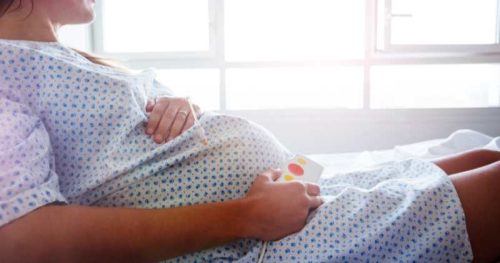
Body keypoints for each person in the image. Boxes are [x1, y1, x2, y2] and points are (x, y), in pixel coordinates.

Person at [0, 0, 498, 262]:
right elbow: (23, 241)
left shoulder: (63, 58)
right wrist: (248, 217)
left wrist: (183, 107)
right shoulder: (5, 73)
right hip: (256, 240)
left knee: (478, 161)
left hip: (291, 187)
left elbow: (116, 156)